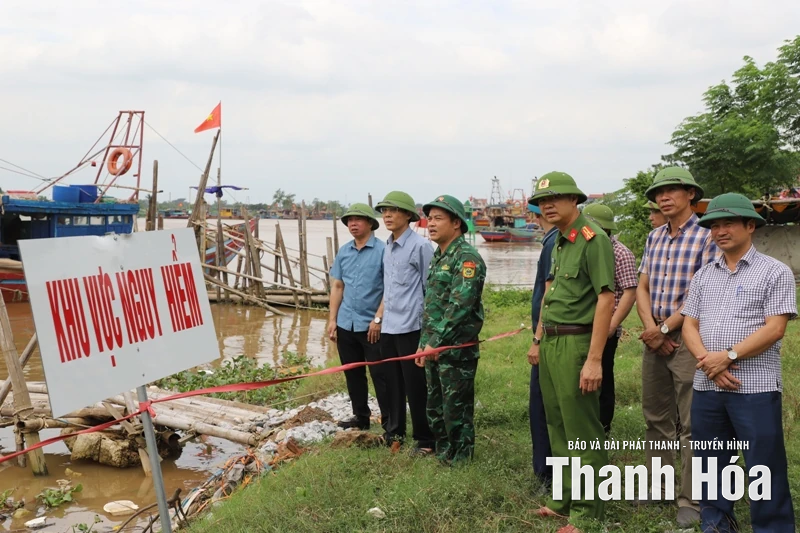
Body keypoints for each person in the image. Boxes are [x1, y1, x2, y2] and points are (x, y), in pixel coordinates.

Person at [682, 193, 796, 533]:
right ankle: (716, 525)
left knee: (763, 465)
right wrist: (708, 361)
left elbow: (775, 328)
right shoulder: (704, 275)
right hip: (707, 385)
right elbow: (689, 324)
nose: (720, 231)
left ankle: (773, 528)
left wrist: (727, 356)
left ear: (751, 226)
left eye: (728, 223)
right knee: (711, 463)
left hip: (755, 387)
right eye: (714, 225)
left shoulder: (775, 272)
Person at [528, 172, 615, 533]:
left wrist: (594, 359)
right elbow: (550, 294)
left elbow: (606, 297)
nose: (547, 205)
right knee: (558, 425)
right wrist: (536, 339)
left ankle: (588, 512)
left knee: (582, 430)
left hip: (576, 343)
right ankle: (563, 500)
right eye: (542, 201)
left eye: (555, 198)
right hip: (550, 341)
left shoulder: (593, 240)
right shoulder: (560, 241)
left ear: (574, 200)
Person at [636, 166, 716, 527]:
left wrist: (666, 329)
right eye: (659, 193)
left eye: (671, 190)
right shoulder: (654, 237)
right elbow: (642, 287)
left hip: (689, 338)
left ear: (690, 195)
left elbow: (700, 294)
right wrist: (652, 328)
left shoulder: (706, 236)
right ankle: (658, 486)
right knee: (656, 417)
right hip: (655, 338)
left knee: (691, 422)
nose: (663, 197)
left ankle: (692, 499)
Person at [415, 195, 486, 465]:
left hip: (456, 350)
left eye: (438, 218)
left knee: (456, 408)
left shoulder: (467, 258)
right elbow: (431, 307)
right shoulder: (439, 256)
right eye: (429, 218)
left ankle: (462, 460)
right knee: (435, 406)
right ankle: (445, 453)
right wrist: (424, 344)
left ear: (456, 223)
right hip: (434, 346)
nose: (430, 224)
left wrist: (437, 342)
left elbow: (460, 308)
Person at [374, 191, 436, 454]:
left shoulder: (420, 247)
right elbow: (389, 290)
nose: (387, 215)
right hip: (389, 326)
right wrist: (378, 318)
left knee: (416, 386)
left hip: (411, 327)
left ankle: (425, 439)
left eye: (394, 210)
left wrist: (427, 333)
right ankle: (395, 432)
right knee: (392, 384)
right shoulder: (387, 245)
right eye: (384, 211)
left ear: (409, 216)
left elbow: (429, 289)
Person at [327, 203, 393, 434]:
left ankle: (389, 422)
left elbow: (390, 288)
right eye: (349, 221)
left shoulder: (384, 251)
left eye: (358, 219)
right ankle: (361, 416)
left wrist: (378, 319)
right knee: (352, 372)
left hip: (371, 326)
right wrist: (332, 320)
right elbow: (337, 286)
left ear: (370, 223)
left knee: (380, 374)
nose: (353, 224)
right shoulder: (344, 251)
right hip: (346, 323)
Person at [582, 203, 637, 434]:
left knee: (602, 376)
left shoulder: (621, 253)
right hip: (581, 327)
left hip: (605, 327)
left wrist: (611, 326)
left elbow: (629, 292)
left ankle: (603, 426)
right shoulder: (582, 248)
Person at [526, 202, 558, 490]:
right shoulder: (552, 240)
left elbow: (548, 295)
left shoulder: (553, 242)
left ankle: (546, 473)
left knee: (542, 405)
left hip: (548, 335)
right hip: (549, 333)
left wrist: (537, 339)